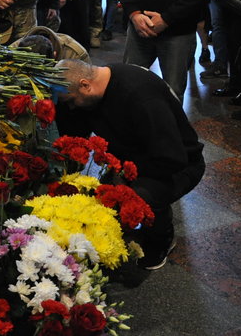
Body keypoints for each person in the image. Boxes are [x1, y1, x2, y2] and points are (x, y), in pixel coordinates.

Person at [54, 59, 205, 270]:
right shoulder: (92, 92)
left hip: (179, 164)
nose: (70, 107)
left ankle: (162, 239)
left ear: (85, 85)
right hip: (133, 158)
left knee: (140, 196)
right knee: (97, 194)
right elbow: (73, 131)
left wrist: (125, 175)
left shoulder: (141, 95)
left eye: (71, 100)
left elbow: (172, 157)